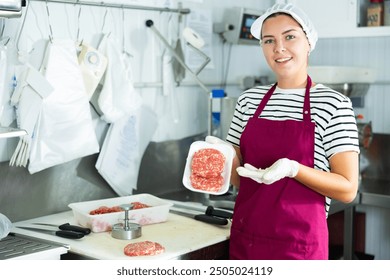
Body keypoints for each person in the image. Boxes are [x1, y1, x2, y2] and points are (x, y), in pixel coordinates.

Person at [208, 3, 360, 260]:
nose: (279, 48)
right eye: (269, 40)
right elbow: (238, 177)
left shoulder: (333, 104)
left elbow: (347, 188)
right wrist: (217, 154)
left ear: (309, 42)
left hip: (298, 248)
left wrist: (293, 169)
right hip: (248, 241)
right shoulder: (248, 101)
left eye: (290, 36)